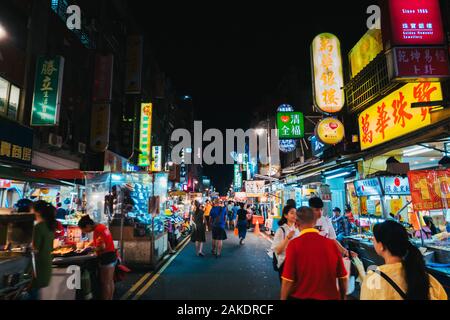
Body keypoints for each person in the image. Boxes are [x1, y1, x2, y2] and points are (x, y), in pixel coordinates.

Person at [361, 220, 447, 300]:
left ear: (381, 246)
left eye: (374, 239)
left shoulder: (373, 278)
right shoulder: (428, 279)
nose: (372, 241)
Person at [281, 207, 348, 300]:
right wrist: (343, 297)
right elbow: (343, 277)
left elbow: (288, 280)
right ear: (315, 222)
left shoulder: (294, 245)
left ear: (296, 224)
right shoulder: (331, 244)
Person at [78, 215, 117, 300]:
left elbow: (102, 247)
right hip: (111, 255)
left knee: (105, 283)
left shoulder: (98, 230)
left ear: (88, 226)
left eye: (84, 230)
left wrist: (92, 249)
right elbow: (99, 241)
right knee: (110, 281)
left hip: (106, 257)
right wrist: (90, 246)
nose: (86, 232)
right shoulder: (101, 227)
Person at [29, 201, 57, 300]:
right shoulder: (49, 226)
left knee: (31, 293)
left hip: (38, 264)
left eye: (31, 209)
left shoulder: (39, 227)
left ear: (37, 212)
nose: (30, 211)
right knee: (36, 292)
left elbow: (35, 249)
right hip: (46, 262)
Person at [271, 206, 299, 281]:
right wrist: (288, 238)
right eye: (292, 213)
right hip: (285, 264)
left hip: (297, 264)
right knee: (287, 290)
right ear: (286, 215)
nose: (295, 215)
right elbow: (278, 251)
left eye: (296, 213)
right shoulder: (281, 230)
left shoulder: (298, 229)